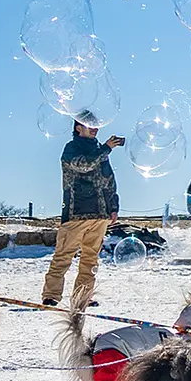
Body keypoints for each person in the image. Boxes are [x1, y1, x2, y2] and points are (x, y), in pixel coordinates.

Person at [42, 110, 124, 307]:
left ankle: (83, 297)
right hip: (76, 213)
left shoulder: (100, 150)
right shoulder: (71, 148)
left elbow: (109, 180)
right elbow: (84, 165)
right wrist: (106, 148)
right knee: (63, 256)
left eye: (96, 125)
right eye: (89, 125)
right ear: (78, 128)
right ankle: (51, 295)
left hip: (100, 213)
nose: (95, 129)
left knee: (91, 259)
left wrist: (114, 206)